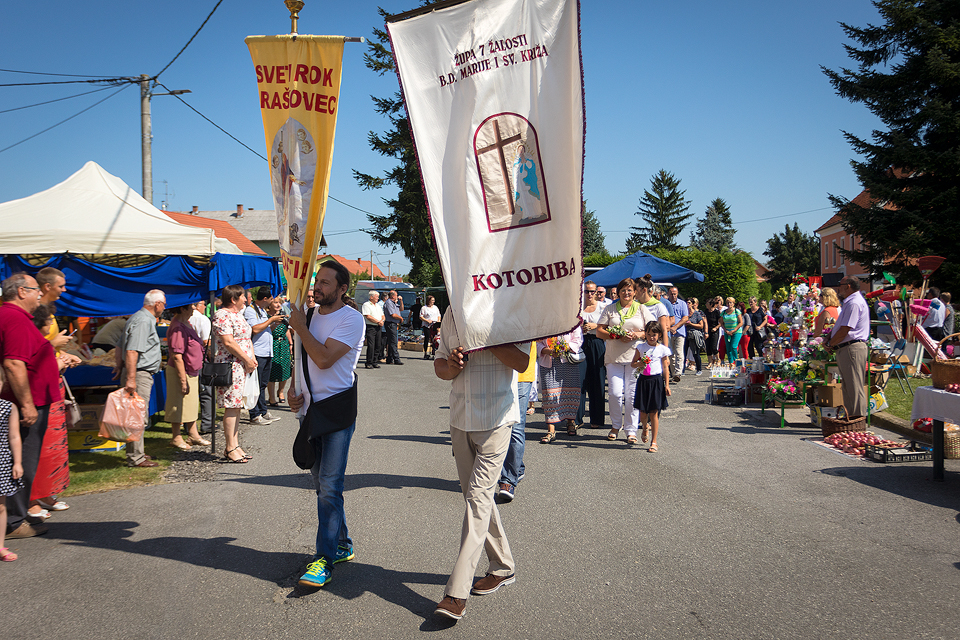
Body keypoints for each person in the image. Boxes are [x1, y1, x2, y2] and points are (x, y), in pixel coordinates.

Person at [432, 309, 529, 621]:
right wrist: (451, 365)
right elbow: (440, 363)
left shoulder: (510, 308)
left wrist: (486, 341)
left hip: (497, 419)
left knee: (477, 500)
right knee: (478, 498)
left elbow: (523, 362)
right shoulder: (452, 312)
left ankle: (456, 592)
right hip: (461, 418)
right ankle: (503, 566)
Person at [287, 261, 365, 589]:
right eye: (316, 281)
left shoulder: (352, 319)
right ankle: (342, 543)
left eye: (324, 283)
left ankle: (324, 559)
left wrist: (299, 326)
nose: (317, 287)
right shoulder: (309, 315)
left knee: (330, 486)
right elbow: (302, 359)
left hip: (336, 414)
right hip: (309, 413)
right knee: (322, 485)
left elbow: (322, 358)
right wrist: (294, 388)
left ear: (342, 288)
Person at [0, 274, 61, 539]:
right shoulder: (14, 318)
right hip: (27, 403)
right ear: (22, 291)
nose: (40, 295)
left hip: (29, 400)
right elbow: (14, 363)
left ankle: (16, 516)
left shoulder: (15, 317)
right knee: (22, 460)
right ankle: (13, 521)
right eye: (36, 291)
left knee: (23, 460)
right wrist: (26, 405)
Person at [28, 304, 74, 521]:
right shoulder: (33, 341)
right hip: (36, 401)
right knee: (36, 452)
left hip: (50, 399)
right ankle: (30, 499)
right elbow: (34, 371)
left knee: (51, 451)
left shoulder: (43, 344)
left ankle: (45, 494)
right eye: (50, 321)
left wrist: (61, 360)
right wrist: (56, 360)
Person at [596, 277, 655, 443]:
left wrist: (638, 334)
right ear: (618, 292)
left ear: (635, 292)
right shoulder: (610, 308)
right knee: (615, 393)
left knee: (631, 395)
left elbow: (652, 330)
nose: (626, 293)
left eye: (629, 290)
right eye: (623, 290)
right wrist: (615, 335)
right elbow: (600, 331)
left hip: (635, 358)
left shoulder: (641, 309)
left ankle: (631, 430)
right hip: (614, 356)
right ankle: (615, 425)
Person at [114, 289, 165, 468]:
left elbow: (120, 345)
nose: (164, 308)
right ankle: (136, 457)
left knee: (135, 414)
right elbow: (132, 350)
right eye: (164, 304)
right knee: (137, 416)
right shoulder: (144, 320)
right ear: (157, 304)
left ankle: (137, 453)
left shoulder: (137, 317)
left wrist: (119, 366)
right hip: (140, 372)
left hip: (138, 371)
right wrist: (131, 378)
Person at [213, 285, 258, 462]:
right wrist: (247, 359)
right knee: (232, 406)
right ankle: (230, 447)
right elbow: (228, 342)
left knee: (237, 406)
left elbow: (246, 338)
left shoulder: (237, 315)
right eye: (243, 297)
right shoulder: (222, 315)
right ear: (233, 299)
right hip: (231, 366)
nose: (246, 300)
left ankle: (235, 445)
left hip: (242, 365)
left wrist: (251, 358)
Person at [165, 304, 209, 450]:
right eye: (191, 306)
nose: (194, 309)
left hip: (192, 370)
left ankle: (193, 434)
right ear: (183, 309)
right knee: (177, 403)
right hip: (181, 370)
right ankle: (176, 437)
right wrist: (183, 380)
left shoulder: (186, 322)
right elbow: (177, 355)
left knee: (191, 404)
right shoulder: (177, 326)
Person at [498, 343, 536, 502]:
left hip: (522, 373)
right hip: (497, 371)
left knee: (516, 426)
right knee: (497, 424)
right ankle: (517, 467)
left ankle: (508, 480)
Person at [828, 277, 870, 417]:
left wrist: (831, 343)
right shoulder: (849, 302)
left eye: (841, 285)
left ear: (849, 286)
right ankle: (851, 417)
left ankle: (857, 421)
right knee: (848, 386)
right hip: (847, 347)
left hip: (852, 348)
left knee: (854, 386)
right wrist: (830, 339)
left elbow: (846, 329)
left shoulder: (854, 303)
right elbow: (841, 326)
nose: (838, 288)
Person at [243, 287, 284, 425]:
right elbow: (254, 329)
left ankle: (263, 411)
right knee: (256, 384)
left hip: (266, 352)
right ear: (265, 299)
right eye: (271, 299)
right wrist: (271, 319)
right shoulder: (251, 310)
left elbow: (264, 328)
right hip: (257, 352)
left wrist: (273, 324)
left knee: (262, 384)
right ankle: (254, 414)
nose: (272, 302)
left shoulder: (261, 310)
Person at [537, 327, 585, 443]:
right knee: (550, 395)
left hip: (568, 360)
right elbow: (536, 342)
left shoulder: (572, 318)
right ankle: (551, 430)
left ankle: (570, 422)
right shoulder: (542, 320)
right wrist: (547, 351)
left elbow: (578, 339)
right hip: (548, 360)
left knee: (569, 392)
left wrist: (564, 348)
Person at [631, 321, 672, 452]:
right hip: (643, 381)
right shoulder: (641, 347)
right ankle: (644, 427)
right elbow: (633, 363)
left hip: (656, 381)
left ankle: (654, 442)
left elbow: (666, 367)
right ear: (645, 334)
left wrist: (667, 385)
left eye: (654, 334)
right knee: (643, 412)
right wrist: (640, 363)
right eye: (648, 334)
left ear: (659, 334)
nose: (651, 337)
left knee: (654, 412)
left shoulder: (662, 349)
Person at [577, 281, 607, 427]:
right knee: (580, 381)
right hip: (581, 342)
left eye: (593, 291)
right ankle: (577, 419)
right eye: (587, 291)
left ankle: (597, 419)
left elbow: (610, 325)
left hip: (597, 342)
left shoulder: (602, 307)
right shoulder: (578, 307)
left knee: (598, 380)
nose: (590, 294)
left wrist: (596, 326)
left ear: (597, 292)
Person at [0, 397, 23, 560]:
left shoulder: (8, 407)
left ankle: (0, 546)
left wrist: (18, 462)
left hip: (1, 462)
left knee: (0, 506)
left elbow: (14, 436)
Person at [189, 302, 215, 435]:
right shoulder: (202, 319)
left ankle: (189, 425)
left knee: (191, 394)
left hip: (188, 360)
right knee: (206, 393)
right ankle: (207, 423)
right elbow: (207, 342)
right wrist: (212, 359)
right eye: (204, 304)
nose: (205, 307)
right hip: (200, 359)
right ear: (197, 305)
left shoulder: (186, 319)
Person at [268, 298, 293, 405]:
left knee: (285, 369)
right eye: (275, 303)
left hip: (283, 344)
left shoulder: (283, 314)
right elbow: (265, 330)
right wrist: (273, 324)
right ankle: (271, 397)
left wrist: (291, 344)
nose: (278, 305)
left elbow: (287, 329)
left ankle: (281, 391)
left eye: (279, 303)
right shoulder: (267, 316)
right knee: (272, 372)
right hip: (272, 344)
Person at [665, 286, 689, 382]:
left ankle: (678, 372)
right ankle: (673, 373)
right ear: (668, 294)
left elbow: (685, 317)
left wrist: (675, 327)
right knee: (670, 353)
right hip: (668, 332)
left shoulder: (682, 304)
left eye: (675, 294)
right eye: (671, 294)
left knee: (679, 352)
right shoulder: (666, 303)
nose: (673, 295)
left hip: (680, 332)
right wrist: (669, 328)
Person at [361, 292, 384, 369]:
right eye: (376, 297)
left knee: (378, 344)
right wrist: (378, 321)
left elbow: (382, 315)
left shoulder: (378, 306)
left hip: (378, 326)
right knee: (371, 345)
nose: (378, 298)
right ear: (371, 297)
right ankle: (369, 362)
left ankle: (375, 361)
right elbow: (368, 316)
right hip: (371, 326)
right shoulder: (366, 305)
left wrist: (382, 321)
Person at [685, 297, 706, 375]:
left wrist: (691, 324)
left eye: (689, 303)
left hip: (694, 335)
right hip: (685, 334)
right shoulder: (684, 313)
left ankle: (699, 369)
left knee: (695, 353)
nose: (688, 304)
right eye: (686, 303)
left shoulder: (696, 313)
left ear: (692, 304)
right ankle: (682, 370)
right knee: (683, 353)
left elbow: (701, 325)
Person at [383, 290, 404, 365]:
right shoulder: (389, 303)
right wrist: (400, 318)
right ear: (392, 296)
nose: (397, 296)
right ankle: (396, 358)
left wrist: (401, 301)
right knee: (393, 341)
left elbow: (401, 309)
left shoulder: (394, 303)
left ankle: (389, 358)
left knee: (391, 341)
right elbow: (393, 314)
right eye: (396, 295)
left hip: (394, 324)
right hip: (390, 323)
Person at [721, 297, 743, 364]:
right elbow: (721, 323)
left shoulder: (737, 311)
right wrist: (726, 331)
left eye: (730, 302)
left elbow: (740, 322)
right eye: (727, 302)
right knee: (728, 348)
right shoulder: (724, 312)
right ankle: (731, 363)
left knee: (733, 347)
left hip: (736, 332)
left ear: (733, 303)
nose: (729, 304)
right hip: (727, 332)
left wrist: (734, 330)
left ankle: (736, 361)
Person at [420, 295, 441, 360]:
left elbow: (438, 315)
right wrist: (427, 320)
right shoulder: (424, 308)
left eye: (433, 300)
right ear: (428, 301)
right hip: (427, 325)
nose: (433, 302)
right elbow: (421, 316)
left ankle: (434, 352)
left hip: (434, 324)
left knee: (435, 339)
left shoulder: (435, 307)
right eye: (432, 300)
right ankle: (426, 352)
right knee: (427, 338)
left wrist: (438, 321)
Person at [704, 296, 723, 368]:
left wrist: (716, 328)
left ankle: (718, 359)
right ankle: (710, 362)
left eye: (707, 303)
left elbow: (721, 322)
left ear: (711, 304)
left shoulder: (717, 312)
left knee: (713, 346)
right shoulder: (706, 311)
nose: (706, 304)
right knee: (708, 347)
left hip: (714, 331)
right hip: (707, 331)